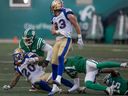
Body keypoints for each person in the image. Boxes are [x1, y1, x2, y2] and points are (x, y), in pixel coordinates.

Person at [2, 48, 85, 94]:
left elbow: (42, 59)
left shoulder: (28, 56)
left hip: (42, 74)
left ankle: (77, 88)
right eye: (15, 57)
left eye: (17, 56)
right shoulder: (18, 67)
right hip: (34, 81)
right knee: (37, 83)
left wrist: (34, 59)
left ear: (22, 55)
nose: (16, 58)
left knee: (56, 77)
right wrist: (10, 86)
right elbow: (16, 78)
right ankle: (53, 91)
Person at [49, 0, 84, 95]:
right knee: (53, 63)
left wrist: (79, 37)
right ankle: (55, 87)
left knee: (61, 57)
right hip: (58, 40)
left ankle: (59, 78)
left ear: (56, 6)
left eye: (53, 7)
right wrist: (58, 31)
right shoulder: (54, 17)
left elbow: (75, 23)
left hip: (66, 39)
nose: (52, 9)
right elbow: (52, 31)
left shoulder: (66, 12)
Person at [63, 56, 128, 96]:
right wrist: (68, 91)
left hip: (88, 63)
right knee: (87, 84)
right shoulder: (69, 71)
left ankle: (121, 64)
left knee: (98, 65)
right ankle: (107, 88)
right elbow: (77, 85)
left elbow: (80, 57)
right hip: (88, 72)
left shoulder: (71, 59)